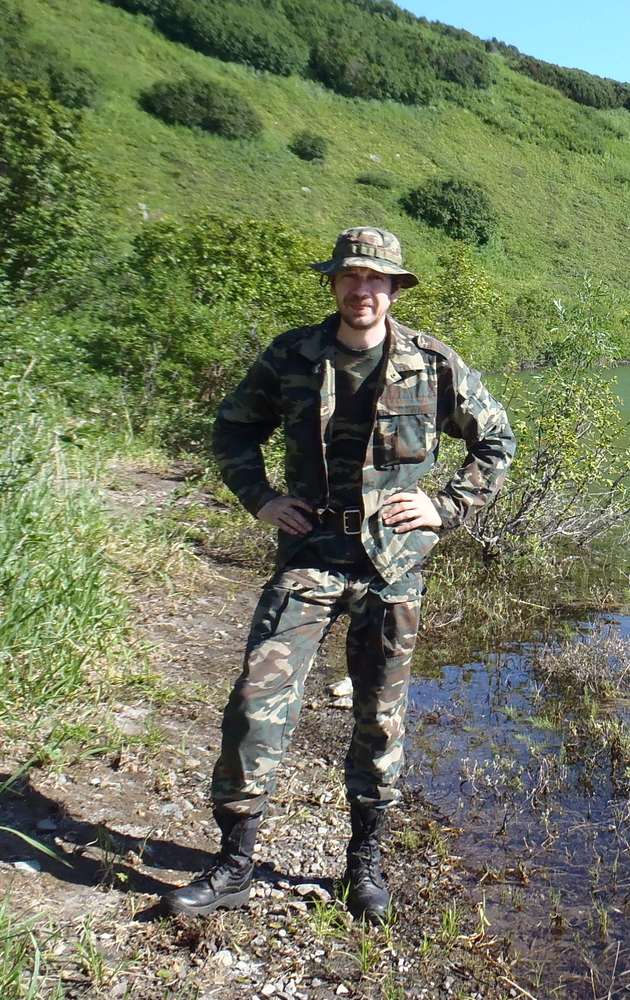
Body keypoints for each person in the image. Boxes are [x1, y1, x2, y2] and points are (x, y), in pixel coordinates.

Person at [165, 227, 515, 924]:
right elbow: (233, 428)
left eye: (377, 280)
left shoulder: (432, 362)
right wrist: (262, 499)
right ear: (334, 285)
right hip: (310, 556)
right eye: (351, 277)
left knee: (379, 719)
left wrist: (446, 506)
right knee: (255, 698)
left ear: (393, 289)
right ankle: (235, 862)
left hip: (395, 569)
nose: (363, 291)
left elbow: (496, 439)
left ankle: (364, 865)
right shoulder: (292, 355)